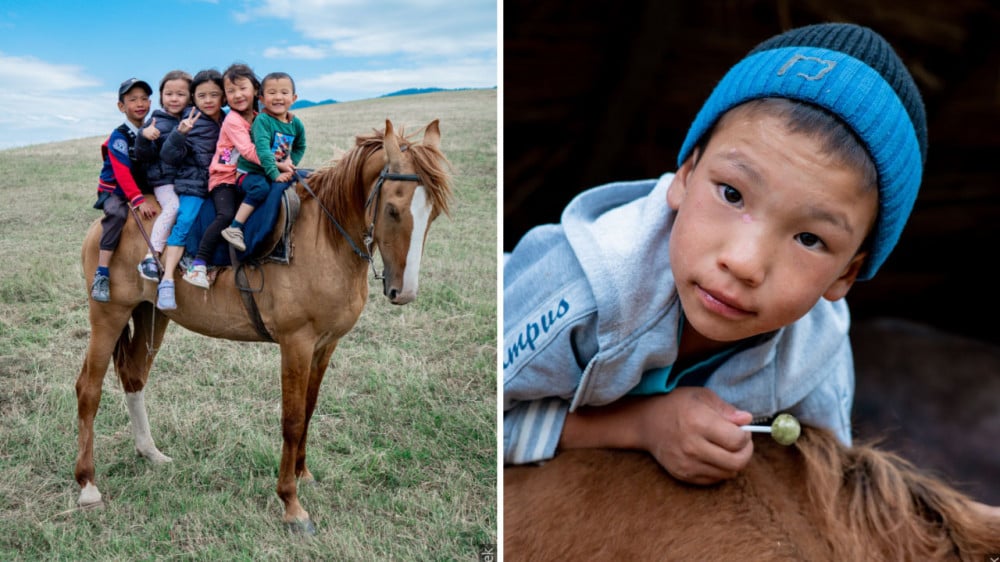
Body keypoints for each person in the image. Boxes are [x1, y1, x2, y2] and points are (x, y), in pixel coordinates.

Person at [503, 23, 927, 485]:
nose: (744, 263)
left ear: (847, 274)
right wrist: (642, 427)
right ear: (684, 176)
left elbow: (821, 485)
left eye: (809, 239)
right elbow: (473, 418)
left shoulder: (815, 355)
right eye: (731, 193)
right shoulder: (586, 288)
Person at [155, 69, 226, 309]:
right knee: (185, 219)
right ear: (194, 97)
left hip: (220, 182)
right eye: (202, 95)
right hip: (194, 183)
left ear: (223, 97)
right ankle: (167, 280)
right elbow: (168, 155)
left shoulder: (226, 119)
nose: (208, 100)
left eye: (214, 95)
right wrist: (180, 134)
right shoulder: (190, 120)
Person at [90, 77, 158, 303]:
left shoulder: (151, 129)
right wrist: (137, 200)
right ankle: (102, 271)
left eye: (144, 99)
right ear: (121, 106)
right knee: (117, 215)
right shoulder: (119, 136)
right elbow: (122, 173)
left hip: (141, 186)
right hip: (116, 190)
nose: (140, 104)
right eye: (132, 100)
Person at [220, 71, 306, 252]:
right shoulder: (263, 121)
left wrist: (292, 162)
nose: (278, 97)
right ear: (262, 98)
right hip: (250, 172)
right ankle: (235, 227)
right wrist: (276, 174)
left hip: (274, 168)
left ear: (294, 97)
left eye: (284, 92)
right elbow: (263, 152)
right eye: (272, 93)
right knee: (261, 188)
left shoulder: (295, 124)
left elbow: (300, 145)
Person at [134, 70, 192, 281]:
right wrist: (143, 137)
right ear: (161, 97)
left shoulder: (190, 119)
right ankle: (152, 255)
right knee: (173, 207)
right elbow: (144, 155)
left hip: (183, 179)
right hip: (163, 180)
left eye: (180, 94)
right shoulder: (156, 121)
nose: (174, 99)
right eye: (169, 94)